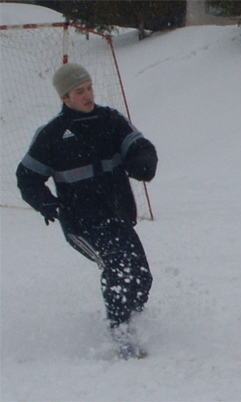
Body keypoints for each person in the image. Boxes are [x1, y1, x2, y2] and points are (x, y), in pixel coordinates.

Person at [16, 63, 158, 358]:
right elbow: (27, 177)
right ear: (65, 98)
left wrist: (143, 161)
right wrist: (47, 203)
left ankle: (135, 319)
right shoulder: (52, 135)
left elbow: (140, 145)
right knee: (117, 267)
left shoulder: (111, 120)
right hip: (81, 224)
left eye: (89, 88)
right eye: (79, 91)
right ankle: (122, 334)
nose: (87, 95)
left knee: (141, 275)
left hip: (117, 215)